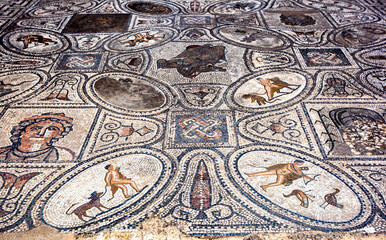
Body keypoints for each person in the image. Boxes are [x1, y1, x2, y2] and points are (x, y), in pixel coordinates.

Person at [0, 113, 74, 162]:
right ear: (22, 131)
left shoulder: (64, 156)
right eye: (35, 128)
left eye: (51, 129)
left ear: (57, 135)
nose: (41, 133)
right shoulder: (3, 153)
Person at [246, 160, 314, 191]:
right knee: (264, 173)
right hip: (278, 171)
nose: (300, 165)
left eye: (301, 164)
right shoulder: (290, 164)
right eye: (299, 163)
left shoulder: (298, 169)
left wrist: (310, 178)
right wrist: (296, 172)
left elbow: (302, 174)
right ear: (295, 162)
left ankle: (265, 186)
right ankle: (251, 174)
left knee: (278, 183)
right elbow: (289, 168)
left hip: (282, 174)